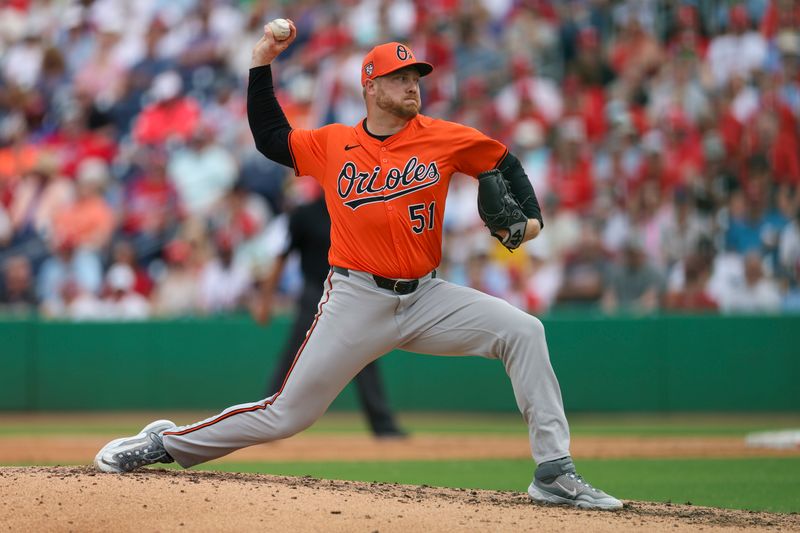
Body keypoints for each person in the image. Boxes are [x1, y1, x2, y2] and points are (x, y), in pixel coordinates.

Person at [95, 23, 623, 511]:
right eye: (400, 76)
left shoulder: (444, 137)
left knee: (524, 331)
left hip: (426, 298)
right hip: (355, 298)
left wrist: (530, 220)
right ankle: (164, 442)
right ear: (371, 86)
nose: (413, 83)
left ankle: (553, 471)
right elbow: (270, 138)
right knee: (287, 415)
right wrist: (261, 62)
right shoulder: (333, 144)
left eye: (416, 74)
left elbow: (503, 162)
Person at [254, 180, 405, 438]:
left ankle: (383, 426)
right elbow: (283, 256)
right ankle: (261, 419)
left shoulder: (357, 210)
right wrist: (266, 299)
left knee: (364, 356)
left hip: (351, 293)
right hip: (314, 292)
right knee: (295, 354)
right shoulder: (305, 214)